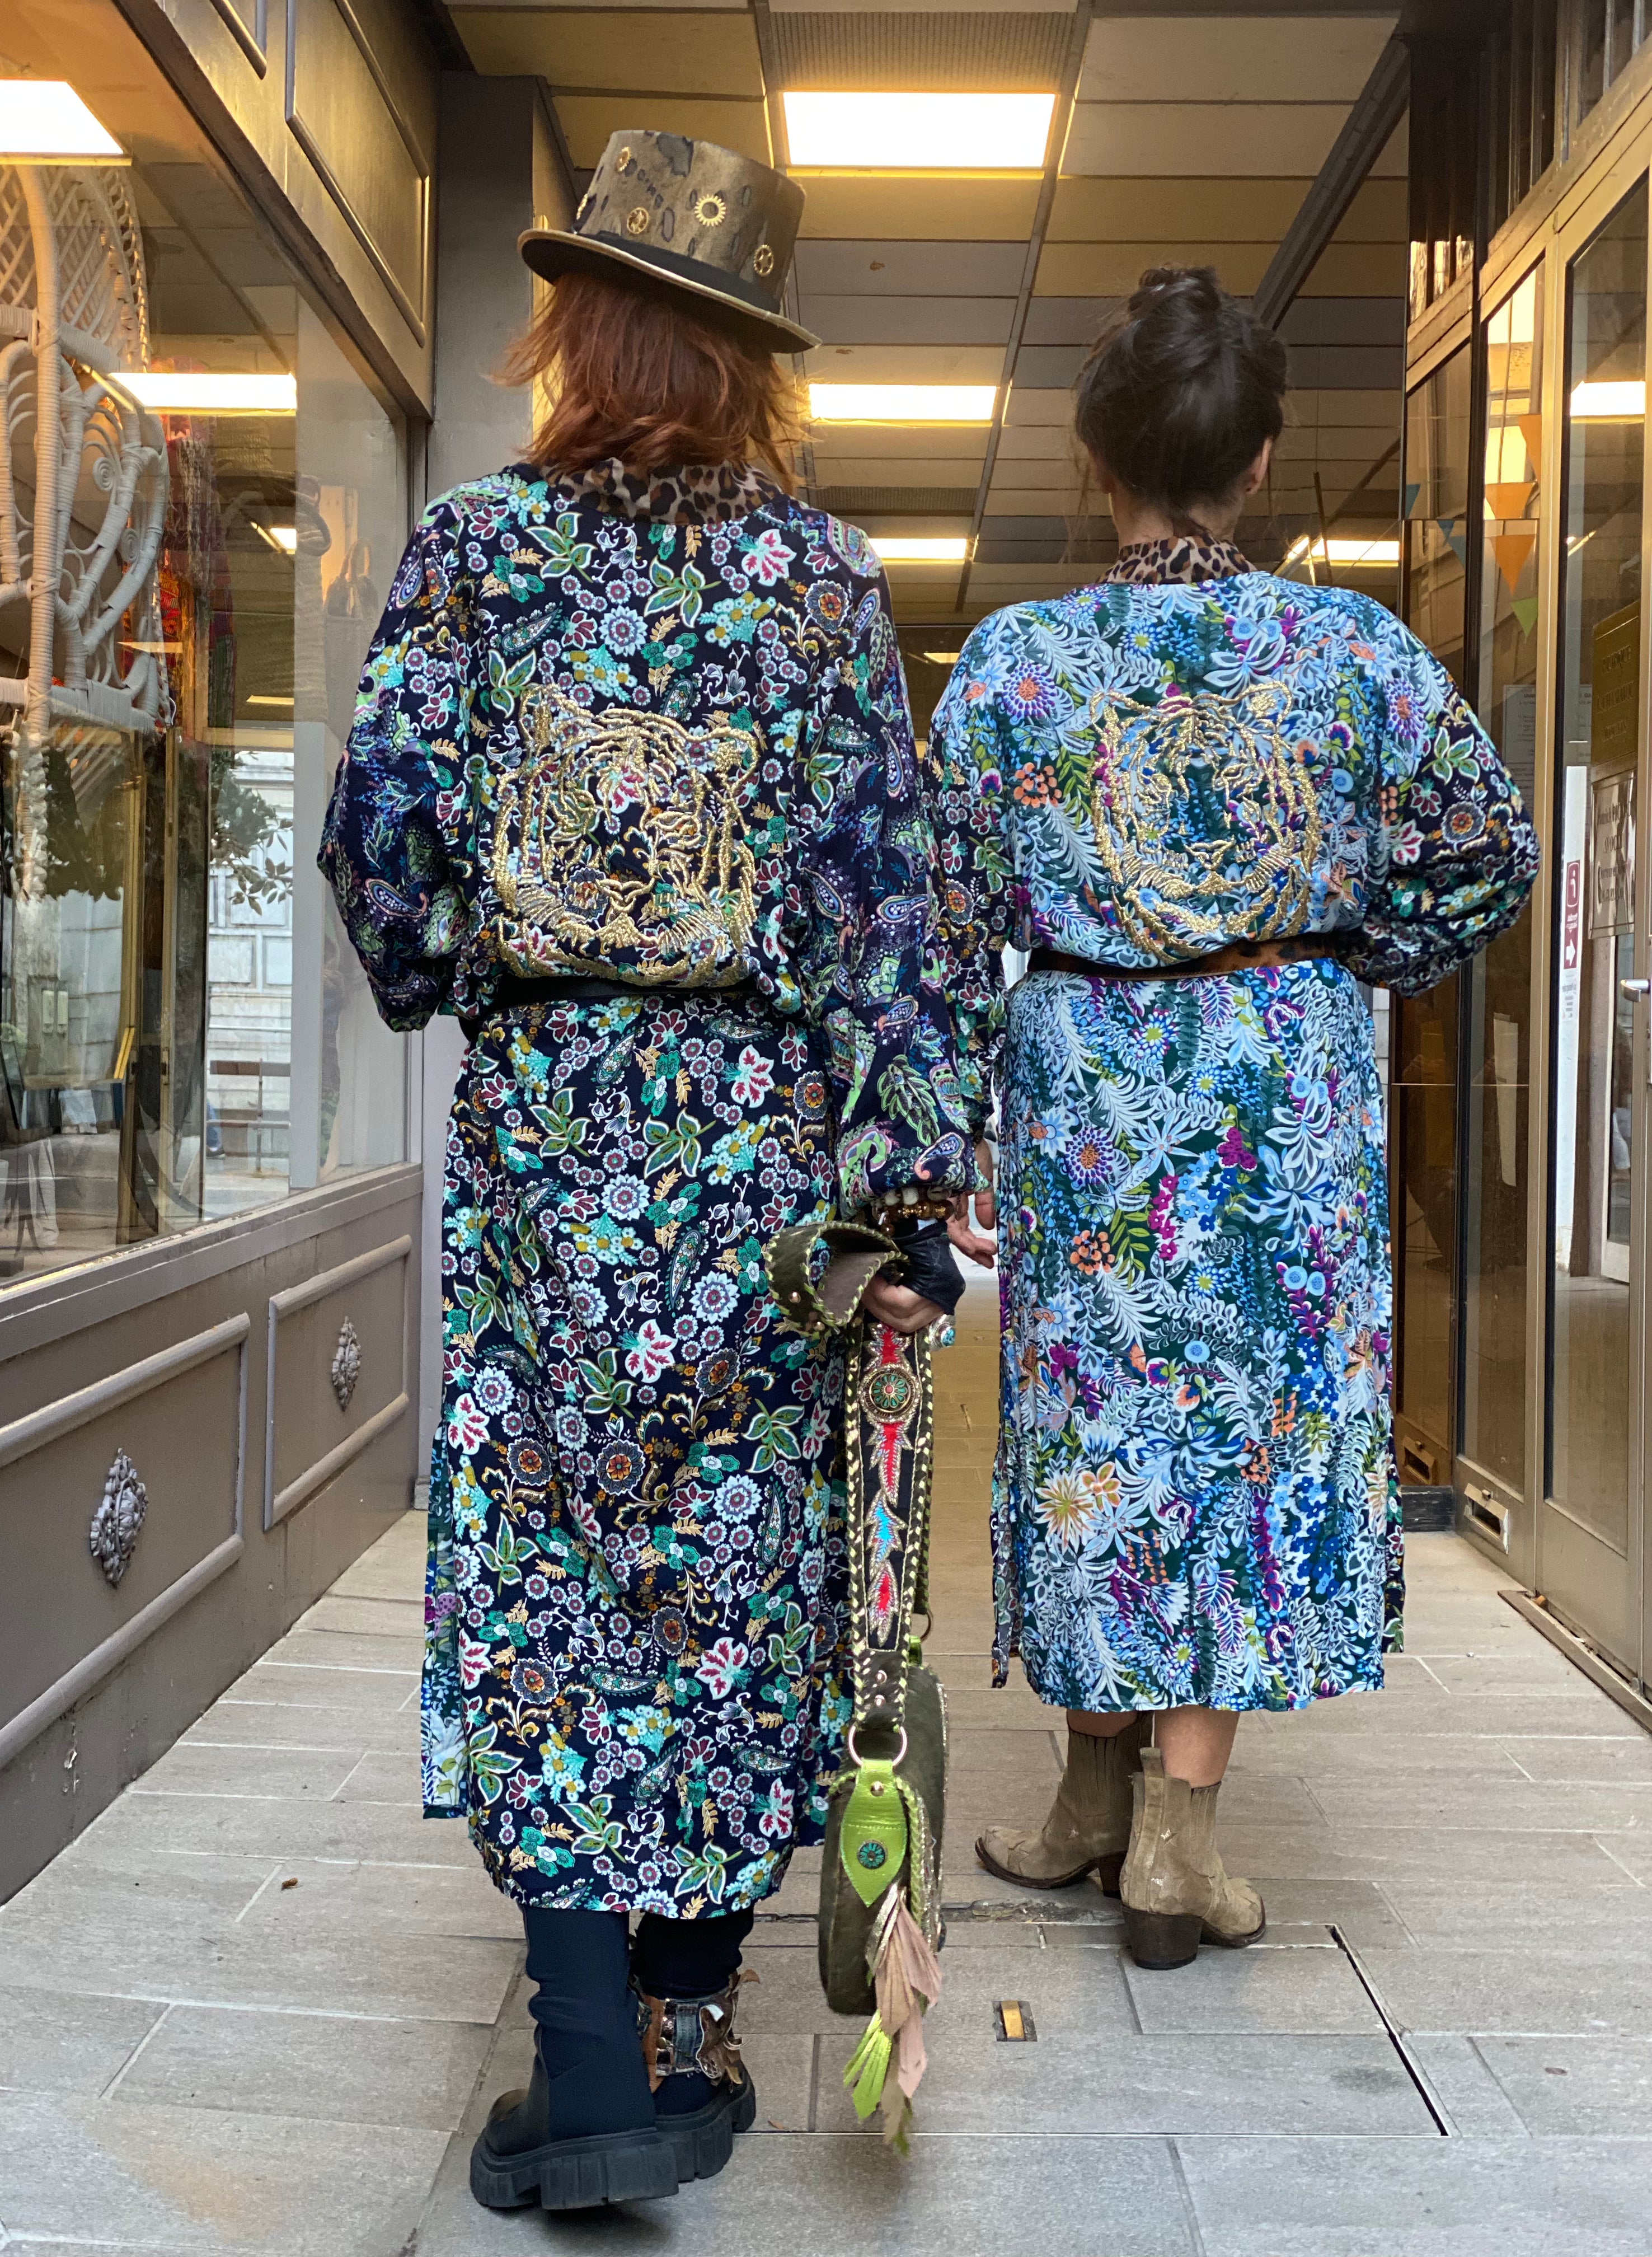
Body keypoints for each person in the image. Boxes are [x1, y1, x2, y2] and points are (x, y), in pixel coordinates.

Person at [317, 131, 979, 2211]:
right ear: (754, 363)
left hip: (543, 1159)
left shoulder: (471, 556)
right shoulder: (820, 586)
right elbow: (898, 918)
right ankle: (677, 2031)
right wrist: (896, 1208)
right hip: (757, 1180)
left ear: (574, 327)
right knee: (729, 1578)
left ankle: (594, 2048)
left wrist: (458, 973)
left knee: (548, 1570)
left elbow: (385, 851)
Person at [928, 265, 1538, 1970]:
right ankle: (1174, 1842)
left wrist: (962, 1121)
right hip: (1281, 1072)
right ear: (1259, 463)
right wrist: (1356, 954)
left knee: (1096, 1428)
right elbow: (1488, 850)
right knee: (1251, 1436)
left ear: (1092, 459)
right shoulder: (1353, 650)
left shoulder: (1014, 665)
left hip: (1089, 1083)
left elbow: (938, 907)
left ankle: (1087, 1801)